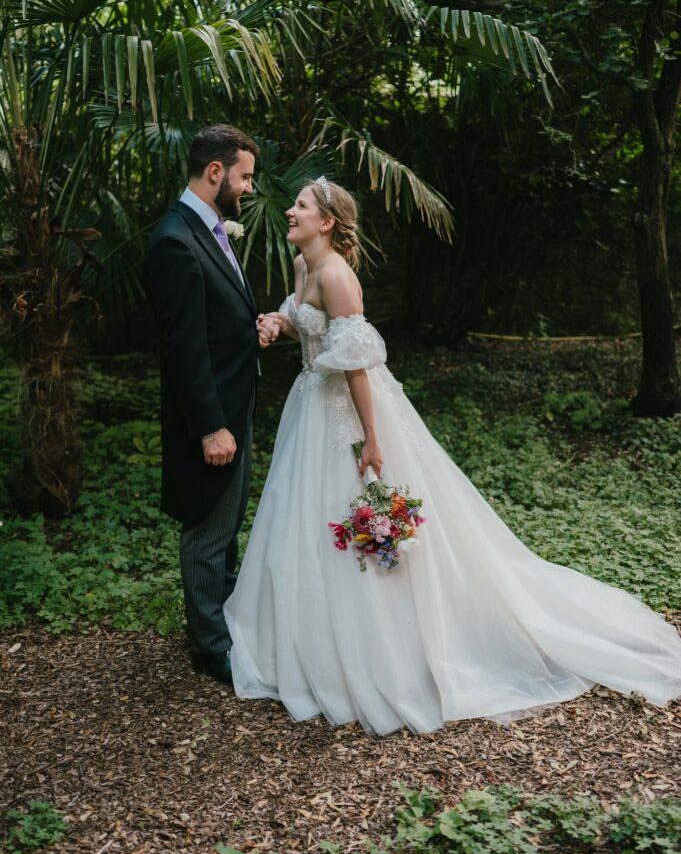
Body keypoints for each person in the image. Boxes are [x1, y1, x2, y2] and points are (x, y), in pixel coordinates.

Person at [223, 176, 681, 735]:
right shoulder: (304, 267)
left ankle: (380, 650)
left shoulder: (339, 276)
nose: (289, 212)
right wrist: (280, 320)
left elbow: (358, 362)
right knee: (305, 525)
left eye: (300, 206)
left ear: (327, 223)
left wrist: (372, 439)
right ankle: (303, 641)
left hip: (346, 410)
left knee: (351, 516)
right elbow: (306, 318)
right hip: (312, 405)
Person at [144, 124, 278, 686]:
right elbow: (183, 348)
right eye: (244, 176)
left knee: (226, 526)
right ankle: (209, 647)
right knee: (206, 526)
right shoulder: (175, 240)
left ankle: (222, 621)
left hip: (234, 404)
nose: (248, 188)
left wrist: (250, 329)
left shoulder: (209, 230)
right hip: (213, 417)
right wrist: (210, 429)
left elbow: (211, 319)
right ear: (216, 172)